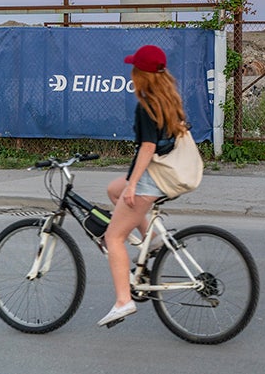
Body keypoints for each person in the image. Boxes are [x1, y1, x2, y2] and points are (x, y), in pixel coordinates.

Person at [97, 44, 190, 328]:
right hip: (163, 175)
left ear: (142, 74)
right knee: (114, 189)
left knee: (113, 238)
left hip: (150, 180)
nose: (132, 74)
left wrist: (133, 184)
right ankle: (153, 238)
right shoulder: (167, 98)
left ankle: (123, 301)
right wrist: (127, 185)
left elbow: (148, 147)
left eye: (134, 69)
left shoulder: (146, 104)